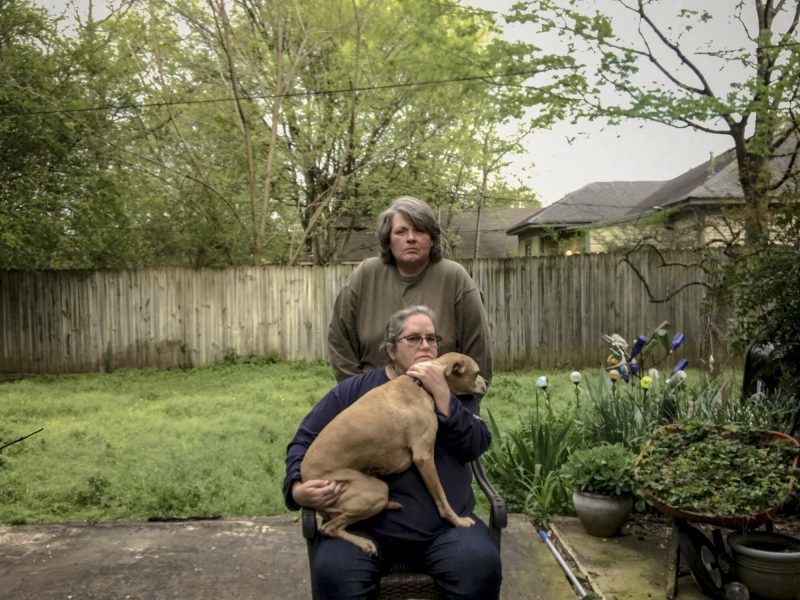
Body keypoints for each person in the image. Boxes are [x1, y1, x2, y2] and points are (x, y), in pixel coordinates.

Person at [284, 305, 502, 600]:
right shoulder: (355, 390)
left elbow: (476, 443)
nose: (425, 345)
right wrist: (297, 489)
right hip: (367, 526)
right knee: (334, 573)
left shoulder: (456, 389)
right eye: (413, 338)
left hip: (446, 531)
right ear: (391, 350)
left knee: (480, 566)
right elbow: (303, 440)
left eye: (432, 338)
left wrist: (443, 396)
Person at [327, 196, 493, 386]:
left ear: (432, 239)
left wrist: (452, 403)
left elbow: (479, 354)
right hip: (370, 397)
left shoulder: (455, 278)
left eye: (420, 230)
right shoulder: (366, 274)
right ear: (388, 240)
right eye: (401, 231)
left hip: (440, 399)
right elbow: (339, 340)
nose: (411, 238)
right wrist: (355, 391)